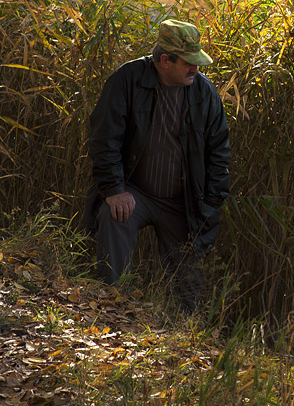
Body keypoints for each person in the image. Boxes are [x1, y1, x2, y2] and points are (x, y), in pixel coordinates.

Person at [87, 19, 230, 310]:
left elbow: (219, 152)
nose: (196, 70)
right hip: (134, 192)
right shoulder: (126, 80)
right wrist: (114, 189)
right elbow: (104, 137)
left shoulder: (205, 93)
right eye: (189, 63)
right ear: (165, 60)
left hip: (183, 202)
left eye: (197, 63)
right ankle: (112, 307)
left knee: (188, 288)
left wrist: (210, 205)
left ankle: (183, 327)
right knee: (114, 216)